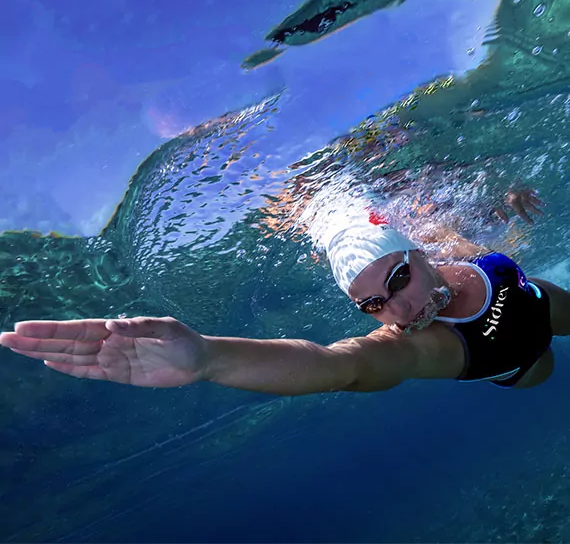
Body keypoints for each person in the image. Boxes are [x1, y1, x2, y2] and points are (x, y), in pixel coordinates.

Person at [1, 194, 567, 394]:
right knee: (539, 366)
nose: (396, 311)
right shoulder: (419, 344)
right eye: (372, 306)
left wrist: (508, 211)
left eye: (397, 283)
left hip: (540, 300)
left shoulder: (446, 245)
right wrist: (209, 358)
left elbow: (486, 244)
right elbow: (335, 365)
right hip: (517, 365)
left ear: (418, 252)